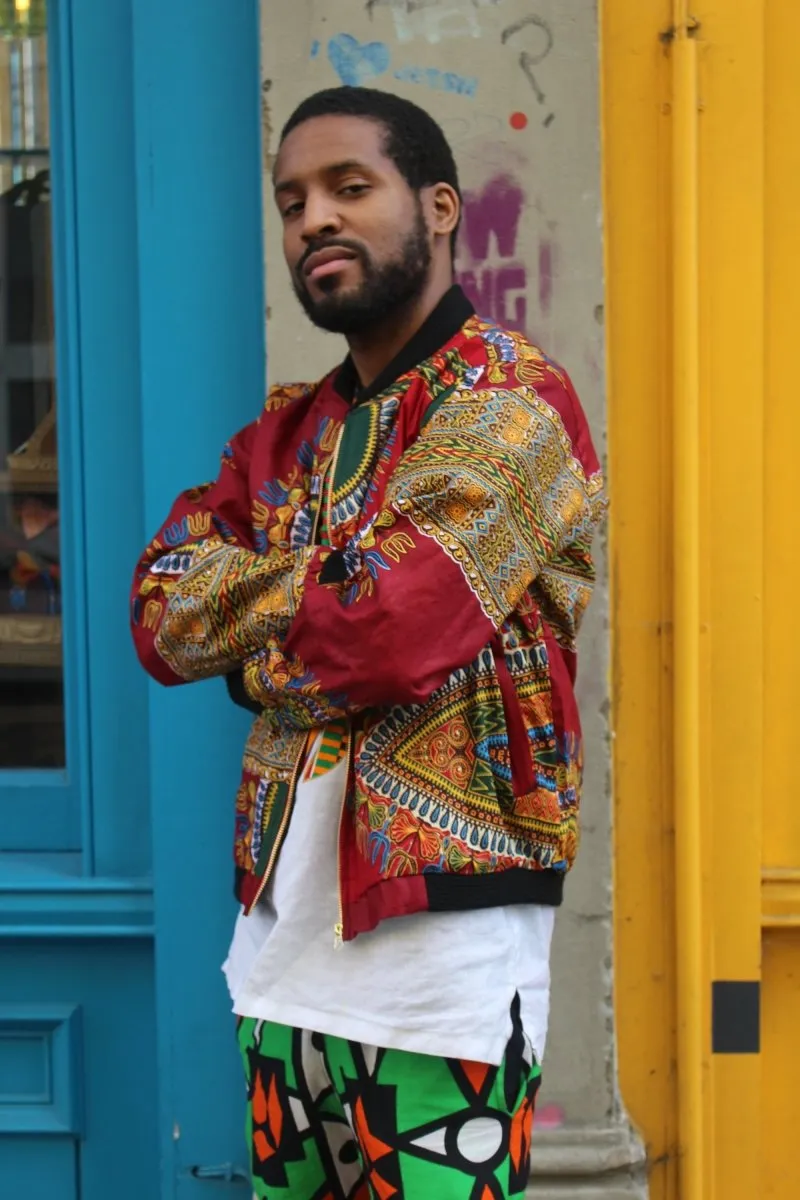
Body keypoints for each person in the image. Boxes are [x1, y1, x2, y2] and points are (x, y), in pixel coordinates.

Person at [131, 85, 605, 1200]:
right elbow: (159, 615)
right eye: (291, 201)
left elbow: (391, 630)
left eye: (350, 188)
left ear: (438, 207)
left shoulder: (513, 403)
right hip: (278, 965)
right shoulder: (286, 431)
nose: (312, 221)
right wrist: (320, 599)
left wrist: (247, 637)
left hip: (442, 972)